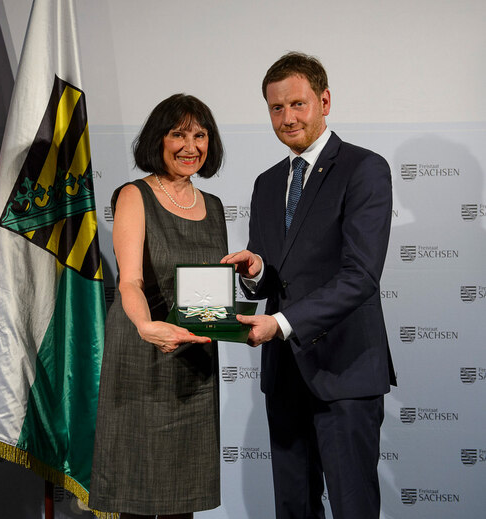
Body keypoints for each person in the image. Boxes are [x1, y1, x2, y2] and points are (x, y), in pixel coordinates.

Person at [223, 52, 396, 519]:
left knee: (352, 507)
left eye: (297, 104)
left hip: (345, 373)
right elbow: (275, 278)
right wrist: (256, 270)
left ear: (324, 101)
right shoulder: (266, 183)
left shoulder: (364, 168)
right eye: (276, 108)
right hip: (285, 379)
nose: (288, 118)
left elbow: (360, 276)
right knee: (292, 508)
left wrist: (279, 324)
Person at [89, 94, 227, 519]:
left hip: (195, 357)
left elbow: (209, 291)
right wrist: (147, 326)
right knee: (135, 491)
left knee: (181, 496)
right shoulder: (134, 195)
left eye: (200, 135)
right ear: (158, 139)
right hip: (143, 351)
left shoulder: (216, 206)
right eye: (178, 134)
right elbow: (128, 280)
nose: (191, 146)